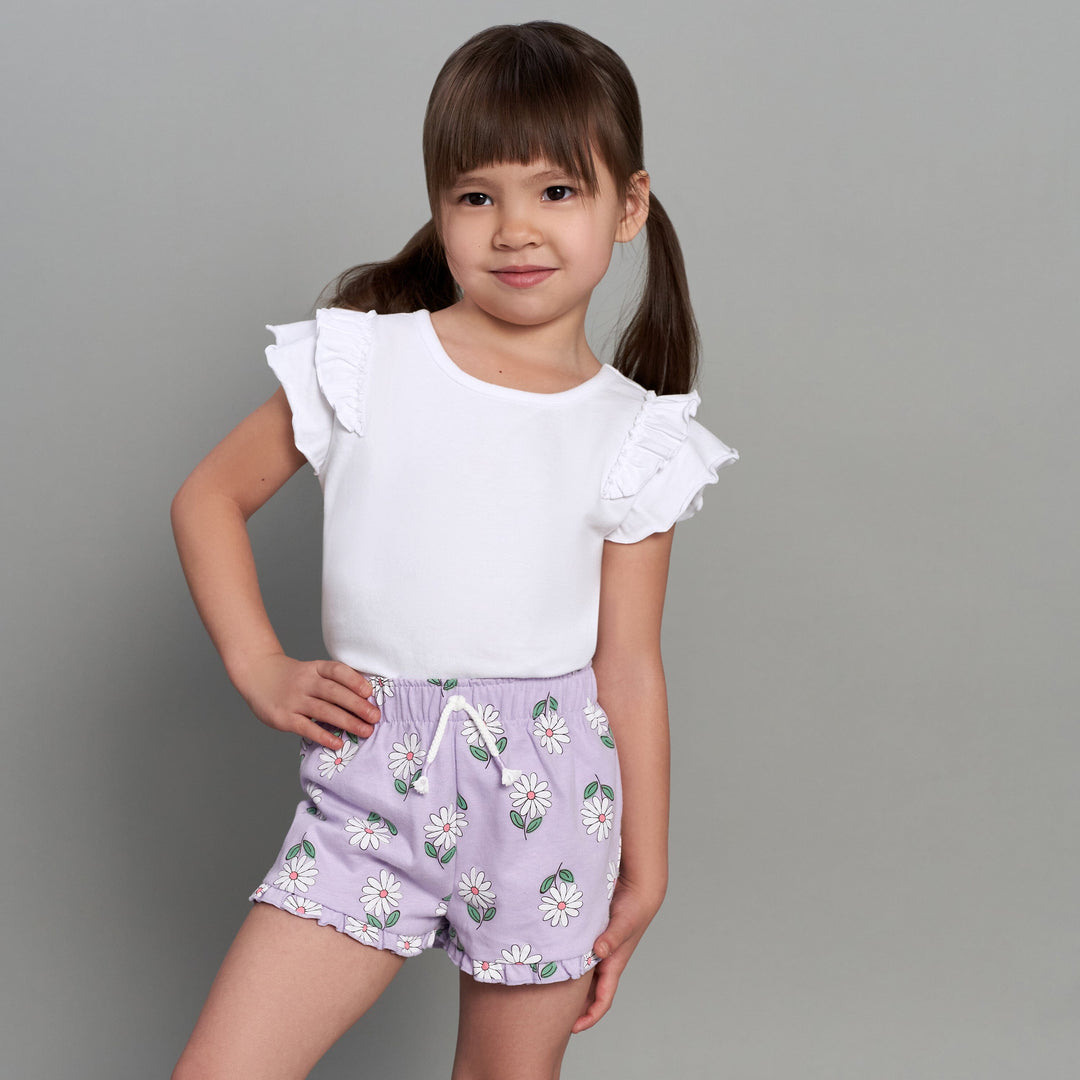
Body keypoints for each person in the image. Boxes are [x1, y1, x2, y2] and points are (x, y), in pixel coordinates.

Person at [169, 19, 739, 1080]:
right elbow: (208, 497)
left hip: (553, 801)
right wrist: (260, 663)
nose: (516, 229)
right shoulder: (364, 362)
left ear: (629, 206)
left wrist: (647, 865)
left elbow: (628, 666)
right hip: (371, 779)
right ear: (440, 208)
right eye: (478, 197)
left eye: (556, 191)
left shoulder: (637, 436)